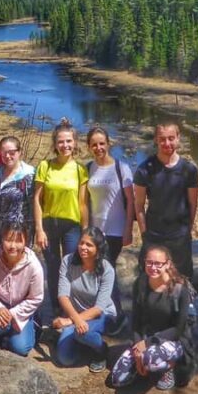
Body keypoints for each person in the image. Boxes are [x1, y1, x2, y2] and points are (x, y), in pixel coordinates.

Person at [109, 245, 196, 391]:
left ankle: (170, 367)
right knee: (117, 380)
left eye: (158, 264)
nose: (153, 267)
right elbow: (135, 320)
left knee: (150, 359)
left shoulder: (180, 289)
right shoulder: (141, 283)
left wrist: (148, 343)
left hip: (174, 340)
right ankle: (142, 365)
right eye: (149, 262)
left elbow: (179, 329)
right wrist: (138, 349)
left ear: (167, 264)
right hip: (147, 336)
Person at [34, 118, 89, 317]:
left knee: (72, 266)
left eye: (68, 141)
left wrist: (85, 231)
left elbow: (83, 203)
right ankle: (57, 307)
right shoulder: (45, 166)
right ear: (55, 144)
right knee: (53, 266)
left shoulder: (80, 169)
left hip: (72, 226)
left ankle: (71, 307)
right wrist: (39, 229)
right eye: (61, 142)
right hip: (49, 224)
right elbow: (37, 200)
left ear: (74, 142)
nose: (65, 145)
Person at [133, 124, 198, 279]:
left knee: (182, 279)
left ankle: (185, 304)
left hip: (179, 235)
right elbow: (139, 204)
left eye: (171, 138)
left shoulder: (189, 170)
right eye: (162, 139)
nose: (167, 143)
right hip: (154, 235)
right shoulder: (145, 169)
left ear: (178, 138)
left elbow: (193, 203)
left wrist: (187, 229)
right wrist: (144, 233)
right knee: (150, 278)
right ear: (156, 140)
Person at [85, 126, 134, 334]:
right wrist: (86, 230)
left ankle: (117, 316)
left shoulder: (121, 168)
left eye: (102, 143)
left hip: (115, 230)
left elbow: (131, 202)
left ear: (108, 144)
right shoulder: (88, 168)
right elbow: (85, 201)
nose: (98, 148)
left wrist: (128, 229)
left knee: (106, 271)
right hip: (96, 231)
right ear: (89, 147)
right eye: (94, 144)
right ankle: (107, 312)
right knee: (100, 271)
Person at [0, 220, 44, 356]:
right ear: (2, 240)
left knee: (20, 348)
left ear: (26, 242)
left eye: (18, 241)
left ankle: (23, 332)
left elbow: (36, 298)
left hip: (22, 309)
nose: (13, 246)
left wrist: (12, 314)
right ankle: (2, 331)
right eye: (8, 240)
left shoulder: (33, 265)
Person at [52, 227, 115, 372]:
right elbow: (63, 295)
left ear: (98, 249)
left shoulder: (107, 270)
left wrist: (70, 321)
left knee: (82, 333)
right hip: (77, 316)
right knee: (65, 358)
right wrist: (77, 319)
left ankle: (101, 351)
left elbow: (99, 308)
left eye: (89, 245)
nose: (83, 248)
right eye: (81, 243)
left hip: (102, 315)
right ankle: (84, 344)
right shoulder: (68, 261)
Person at [0, 136, 35, 248]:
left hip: (17, 233)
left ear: (19, 152)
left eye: (11, 152)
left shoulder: (29, 174)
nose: (7, 156)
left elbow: (32, 207)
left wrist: (30, 235)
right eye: (4, 152)